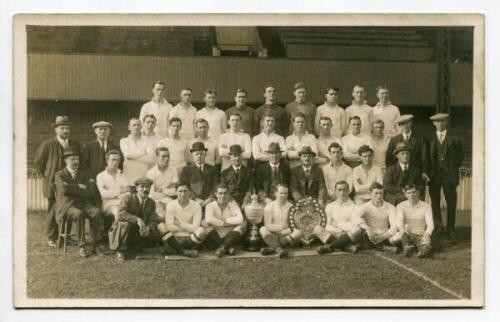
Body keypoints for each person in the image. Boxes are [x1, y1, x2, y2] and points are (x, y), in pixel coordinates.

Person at [33, 115, 80, 247]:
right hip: (53, 185)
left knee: (69, 208)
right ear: (56, 130)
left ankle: (65, 236)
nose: (65, 130)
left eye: (67, 128)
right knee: (53, 210)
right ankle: (51, 237)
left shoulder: (74, 144)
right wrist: (48, 177)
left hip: (70, 183)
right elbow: (38, 164)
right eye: (62, 128)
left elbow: (78, 162)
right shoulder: (47, 144)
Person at [54, 147, 104, 257]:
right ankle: (82, 246)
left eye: (77, 159)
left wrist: (72, 188)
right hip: (67, 205)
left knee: (97, 212)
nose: (76, 162)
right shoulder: (60, 174)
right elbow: (63, 190)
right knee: (78, 214)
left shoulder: (83, 174)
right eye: (72, 159)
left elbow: (90, 190)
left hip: (82, 203)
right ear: (66, 160)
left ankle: (96, 245)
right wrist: (79, 187)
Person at [428, 113, 463, 240]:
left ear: (446, 122)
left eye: (442, 121)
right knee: (435, 203)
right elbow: (427, 157)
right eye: (437, 121)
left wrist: (450, 169)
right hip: (434, 176)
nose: (440, 124)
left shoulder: (455, 139)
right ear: (433, 123)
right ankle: (438, 227)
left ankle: (451, 229)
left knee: (451, 202)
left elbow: (460, 157)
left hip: (449, 176)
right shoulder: (429, 138)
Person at [110, 177, 163, 261]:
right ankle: (121, 251)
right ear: (137, 188)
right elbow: (121, 214)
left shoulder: (151, 202)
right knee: (127, 224)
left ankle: (136, 246)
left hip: (139, 231)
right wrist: (137, 219)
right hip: (123, 230)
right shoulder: (128, 198)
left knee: (156, 230)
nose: (145, 189)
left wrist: (148, 228)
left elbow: (152, 220)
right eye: (142, 186)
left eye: (148, 187)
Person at [159, 184, 208, 258]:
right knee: (161, 226)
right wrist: (187, 227)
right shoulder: (170, 205)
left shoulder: (196, 205)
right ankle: (184, 251)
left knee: (202, 231)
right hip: (174, 238)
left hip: (190, 237)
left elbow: (195, 227)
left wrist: (180, 224)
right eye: (180, 191)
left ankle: (175, 250)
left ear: (190, 192)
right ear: (176, 192)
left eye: (185, 191)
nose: (183, 194)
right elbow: (169, 226)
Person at [315, 181, 362, 254]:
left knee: (357, 230)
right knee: (317, 229)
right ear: (335, 191)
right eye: (339, 190)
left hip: (348, 234)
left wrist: (340, 226)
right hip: (335, 233)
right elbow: (327, 225)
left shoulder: (355, 206)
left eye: (344, 190)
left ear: (348, 191)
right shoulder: (330, 206)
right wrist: (338, 230)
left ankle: (330, 247)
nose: (342, 193)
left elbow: (354, 225)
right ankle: (347, 247)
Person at [354, 182, 401, 252]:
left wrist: (383, 237)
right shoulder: (365, 206)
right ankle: (384, 247)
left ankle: (378, 246)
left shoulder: (390, 207)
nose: (379, 196)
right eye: (376, 193)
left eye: (381, 193)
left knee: (398, 235)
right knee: (362, 232)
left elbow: (394, 225)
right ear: (370, 194)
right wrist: (367, 228)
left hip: (385, 235)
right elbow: (355, 217)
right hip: (371, 235)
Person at [259, 184, 301, 258]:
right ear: (275, 193)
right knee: (262, 229)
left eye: (285, 193)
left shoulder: (291, 206)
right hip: (273, 234)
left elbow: (294, 225)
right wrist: (281, 228)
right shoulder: (269, 207)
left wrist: (286, 231)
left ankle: (273, 248)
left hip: (287, 234)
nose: (284, 196)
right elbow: (268, 226)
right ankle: (279, 250)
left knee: (298, 231)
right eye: (281, 193)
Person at [204, 184, 246, 257]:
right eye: (220, 193)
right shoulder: (210, 205)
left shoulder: (233, 205)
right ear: (216, 194)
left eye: (225, 193)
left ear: (229, 194)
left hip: (229, 233)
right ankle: (227, 247)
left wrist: (225, 219)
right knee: (204, 223)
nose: (223, 196)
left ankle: (221, 248)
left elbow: (240, 219)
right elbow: (209, 218)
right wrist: (223, 223)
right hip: (215, 233)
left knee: (242, 225)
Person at [386, 114, 429, 182]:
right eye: (402, 124)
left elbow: (424, 157)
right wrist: (391, 172)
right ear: (399, 126)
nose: (405, 126)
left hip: (416, 174)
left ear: (411, 123)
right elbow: (389, 158)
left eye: (407, 123)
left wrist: (424, 171)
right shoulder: (394, 140)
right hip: (399, 174)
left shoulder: (420, 139)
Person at [96, 149, 129, 234]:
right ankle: (116, 238)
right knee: (118, 211)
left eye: (117, 160)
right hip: (109, 205)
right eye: (113, 160)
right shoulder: (101, 176)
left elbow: (128, 192)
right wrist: (120, 191)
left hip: (123, 203)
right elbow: (104, 194)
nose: (115, 162)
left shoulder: (122, 176)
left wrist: (114, 194)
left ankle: (127, 236)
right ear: (107, 161)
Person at [397, 185, 434, 258]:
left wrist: (427, 234)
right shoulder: (400, 206)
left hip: (419, 233)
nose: (411, 195)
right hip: (406, 233)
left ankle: (422, 250)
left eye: (413, 192)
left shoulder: (426, 206)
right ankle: (407, 248)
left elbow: (430, 224)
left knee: (426, 242)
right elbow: (399, 221)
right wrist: (402, 229)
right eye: (409, 193)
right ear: (405, 195)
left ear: (418, 193)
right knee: (393, 240)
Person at [179, 142, 219, 207]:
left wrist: (210, 199)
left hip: (209, 202)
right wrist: (195, 199)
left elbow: (216, 186)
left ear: (205, 155)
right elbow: (184, 187)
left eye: (201, 154)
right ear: (192, 155)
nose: (199, 156)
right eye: (196, 154)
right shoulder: (186, 170)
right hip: (192, 201)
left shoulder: (212, 169)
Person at [146, 147, 179, 219]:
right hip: (155, 201)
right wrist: (167, 190)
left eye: (168, 156)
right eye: (163, 156)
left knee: (176, 215)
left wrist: (161, 190)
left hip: (169, 200)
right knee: (162, 217)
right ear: (157, 157)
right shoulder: (151, 173)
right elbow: (152, 194)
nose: (167, 159)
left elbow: (175, 191)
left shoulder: (173, 170)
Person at [120, 118, 154, 185]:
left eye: (138, 125)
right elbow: (127, 154)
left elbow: (151, 159)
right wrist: (144, 154)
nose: (136, 127)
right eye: (134, 125)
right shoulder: (124, 141)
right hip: (128, 175)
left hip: (142, 175)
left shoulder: (147, 141)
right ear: (129, 127)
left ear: (141, 127)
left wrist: (133, 157)